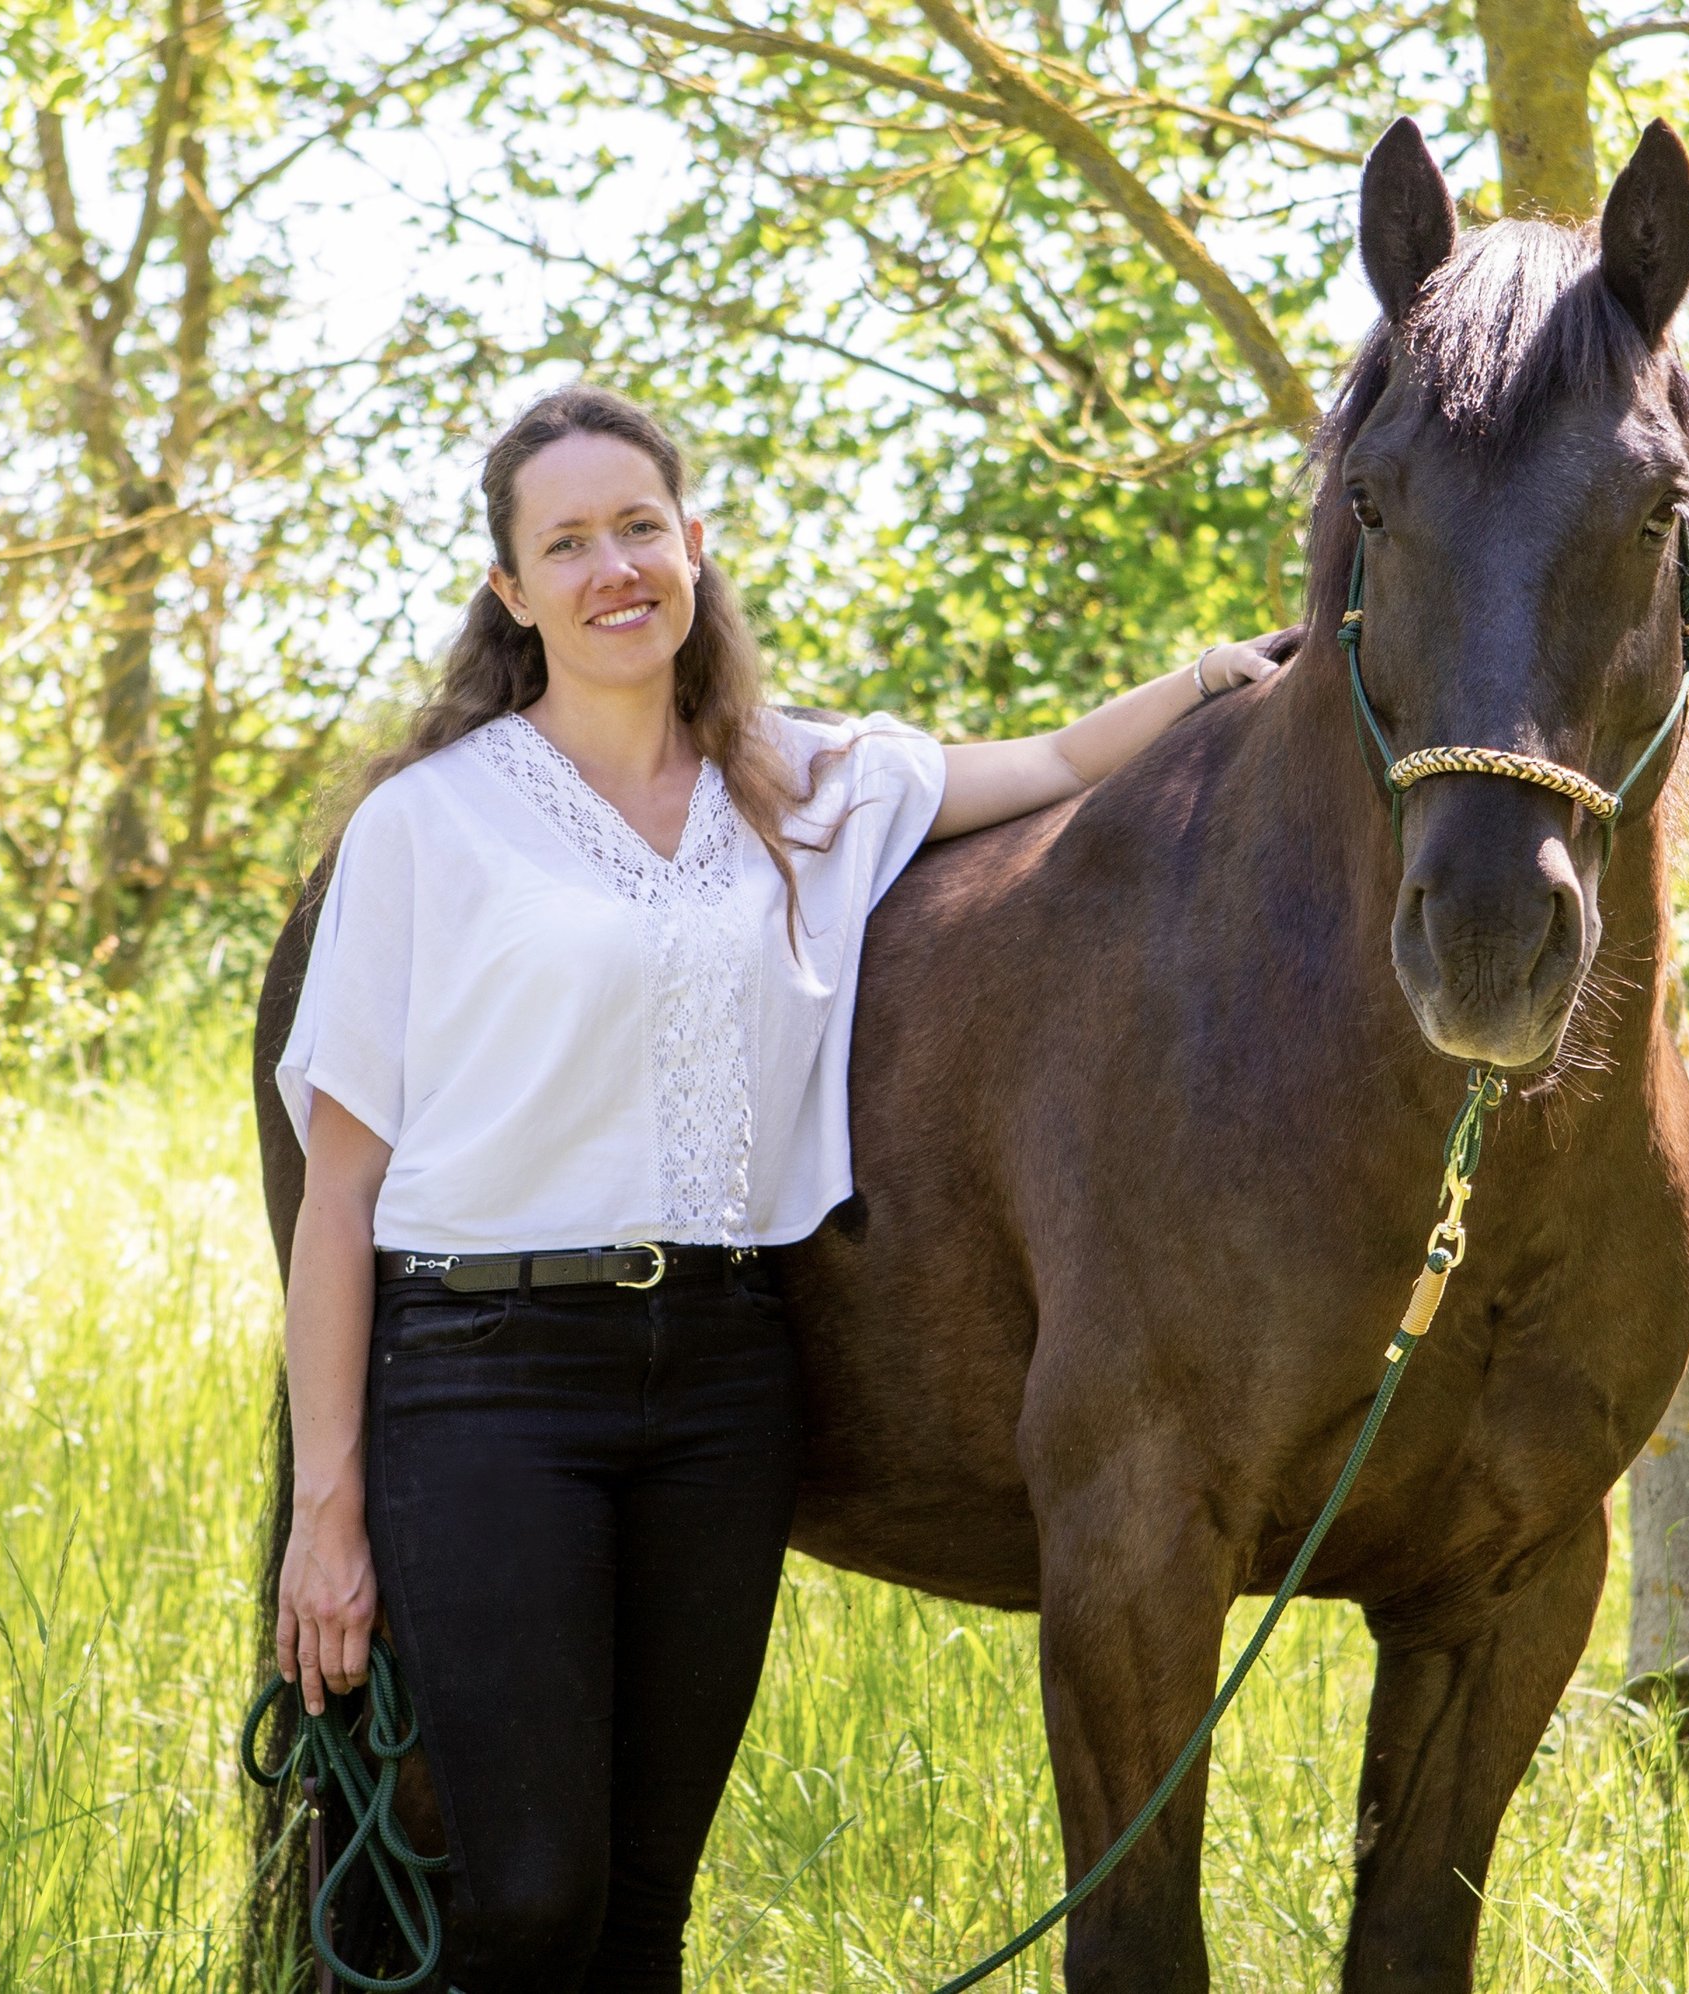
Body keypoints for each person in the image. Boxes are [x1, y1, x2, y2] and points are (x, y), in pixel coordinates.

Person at [271, 382, 1281, 1990]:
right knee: (527, 1892)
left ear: (694, 545)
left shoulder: (806, 785)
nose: (616, 568)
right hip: (483, 1386)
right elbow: (339, 1200)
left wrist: (1220, 681)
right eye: (569, 542)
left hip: (726, 1386)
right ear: (510, 590)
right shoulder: (428, 827)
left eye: (642, 528)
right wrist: (328, 1509)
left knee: (648, 1908)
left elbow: (1045, 764)